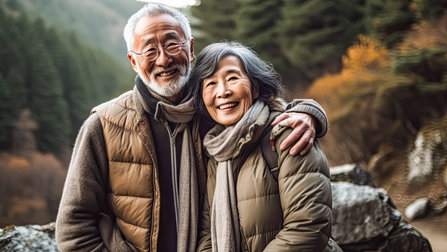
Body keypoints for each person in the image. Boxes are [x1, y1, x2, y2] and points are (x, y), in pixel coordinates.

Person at [55, 4, 329, 252]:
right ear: (133, 61)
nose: (163, 59)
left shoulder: (212, 111)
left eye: (172, 44)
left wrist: (309, 113)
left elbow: (263, 110)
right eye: (150, 49)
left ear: (190, 48)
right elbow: (74, 227)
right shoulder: (104, 125)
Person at [191, 41, 338, 252]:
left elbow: (308, 227)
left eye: (232, 78)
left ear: (256, 86)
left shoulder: (287, 133)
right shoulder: (216, 152)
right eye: (211, 84)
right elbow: (207, 234)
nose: (222, 92)